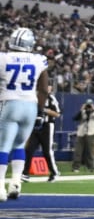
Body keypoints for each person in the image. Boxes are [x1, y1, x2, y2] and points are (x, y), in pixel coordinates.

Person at [1, 27, 50, 199]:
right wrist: (40, 113)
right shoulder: (39, 60)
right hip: (30, 105)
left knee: (3, 146)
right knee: (19, 145)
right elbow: (43, 89)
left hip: (9, 103)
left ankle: (0, 186)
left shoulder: (3, 58)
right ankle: (15, 182)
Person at [22, 90, 60, 183]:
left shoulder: (51, 98)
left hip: (47, 126)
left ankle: (54, 172)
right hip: (35, 126)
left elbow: (57, 114)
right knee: (29, 150)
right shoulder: (33, 97)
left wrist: (45, 110)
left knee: (47, 151)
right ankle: (25, 173)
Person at [71, 100, 94, 173]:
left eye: (90, 105)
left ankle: (90, 167)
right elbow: (75, 118)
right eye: (88, 105)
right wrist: (81, 110)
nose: (88, 107)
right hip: (81, 133)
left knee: (90, 151)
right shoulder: (82, 112)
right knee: (78, 151)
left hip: (91, 133)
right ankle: (76, 167)